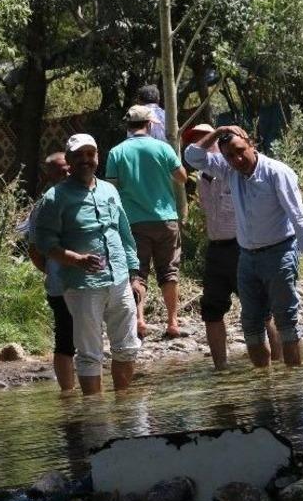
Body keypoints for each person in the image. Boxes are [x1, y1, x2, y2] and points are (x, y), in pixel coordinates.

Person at [184, 125, 303, 367]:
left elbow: (298, 215)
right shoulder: (229, 170)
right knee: (250, 323)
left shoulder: (276, 172)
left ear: (251, 144)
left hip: (279, 252)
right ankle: (264, 387)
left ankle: (292, 384)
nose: (237, 159)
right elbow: (192, 156)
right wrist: (219, 132)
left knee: (285, 320)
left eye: (240, 151)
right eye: (229, 155)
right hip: (247, 257)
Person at [34, 134, 145, 395]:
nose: (86, 160)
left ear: (97, 157)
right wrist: (76, 260)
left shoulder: (109, 190)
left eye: (90, 154)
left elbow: (124, 234)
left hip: (119, 279)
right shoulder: (54, 198)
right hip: (82, 286)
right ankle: (95, 423)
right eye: (79, 155)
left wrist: (135, 275)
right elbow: (44, 243)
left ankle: (125, 409)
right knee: (89, 354)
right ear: (69, 160)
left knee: (127, 347)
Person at [182, 124, 280, 370]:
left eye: (207, 138)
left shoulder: (236, 171)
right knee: (211, 310)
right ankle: (221, 369)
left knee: (261, 309)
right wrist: (212, 136)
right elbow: (193, 155)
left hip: (241, 248)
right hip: (216, 250)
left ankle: (278, 365)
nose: (203, 143)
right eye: (199, 140)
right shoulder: (203, 177)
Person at [105, 104, 188, 340]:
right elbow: (181, 177)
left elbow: (111, 187)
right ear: (150, 124)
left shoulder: (116, 152)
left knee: (137, 273)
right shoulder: (162, 148)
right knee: (169, 271)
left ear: (127, 126)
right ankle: (172, 323)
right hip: (165, 219)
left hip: (132, 222)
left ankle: (140, 321)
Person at [26, 152, 75, 392]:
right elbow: (34, 249)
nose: (67, 173)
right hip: (60, 285)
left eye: (69, 168)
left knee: (88, 338)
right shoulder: (45, 203)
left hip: (87, 283)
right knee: (65, 339)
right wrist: (51, 271)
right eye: (60, 170)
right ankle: (68, 394)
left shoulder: (84, 194)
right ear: (50, 175)